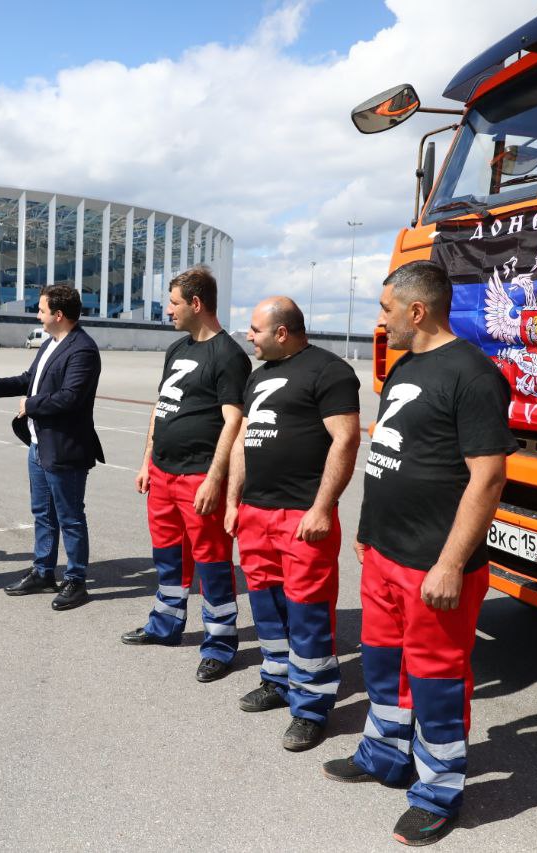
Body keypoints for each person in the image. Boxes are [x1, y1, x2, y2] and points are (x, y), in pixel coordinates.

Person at [321, 260, 513, 847]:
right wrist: (368, 530)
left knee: (436, 680)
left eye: (385, 310)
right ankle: (385, 754)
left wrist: (452, 563)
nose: (381, 322)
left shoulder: (473, 376)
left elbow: (488, 478)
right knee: (382, 664)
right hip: (384, 554)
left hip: (434, 564)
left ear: (417, 310)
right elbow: (393, 457)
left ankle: (437, 793)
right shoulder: (406, 366)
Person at [225, 296, 361, 751]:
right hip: (255, 514)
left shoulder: (329, 371)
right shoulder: (258, 376)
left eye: (255, 329)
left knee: (307, 610)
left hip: (302, 514)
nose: (248, 336)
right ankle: (277, 680)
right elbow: (244, 440)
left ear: (282, 332)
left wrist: (323, 507)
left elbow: (345, 439)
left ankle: (311, 707)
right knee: (266, 605)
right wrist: (233, 501)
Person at [122, 266, 251, 683]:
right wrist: (146, 461)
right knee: (168, 558)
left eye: (173, 304)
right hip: (162, 473)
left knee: (212, 563)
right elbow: (162, 406)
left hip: (199, 476)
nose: (168, 312)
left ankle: (219, 642)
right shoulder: (176, 349)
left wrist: (215, 479)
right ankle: (165, 625)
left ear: (197, 304)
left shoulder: (229, 355)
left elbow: (234, 422)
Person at [0, 284, 103, 611]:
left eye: (41, 309)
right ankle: (43, 571)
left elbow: (71, 397)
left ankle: (76, 580)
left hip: (65, 448)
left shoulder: (83, 350)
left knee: (70, 517)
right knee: (43, 514)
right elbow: (29, 379)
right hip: (39, 446)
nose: (37, 314)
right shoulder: (52, 343)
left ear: (59, 314)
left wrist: (31, 405)